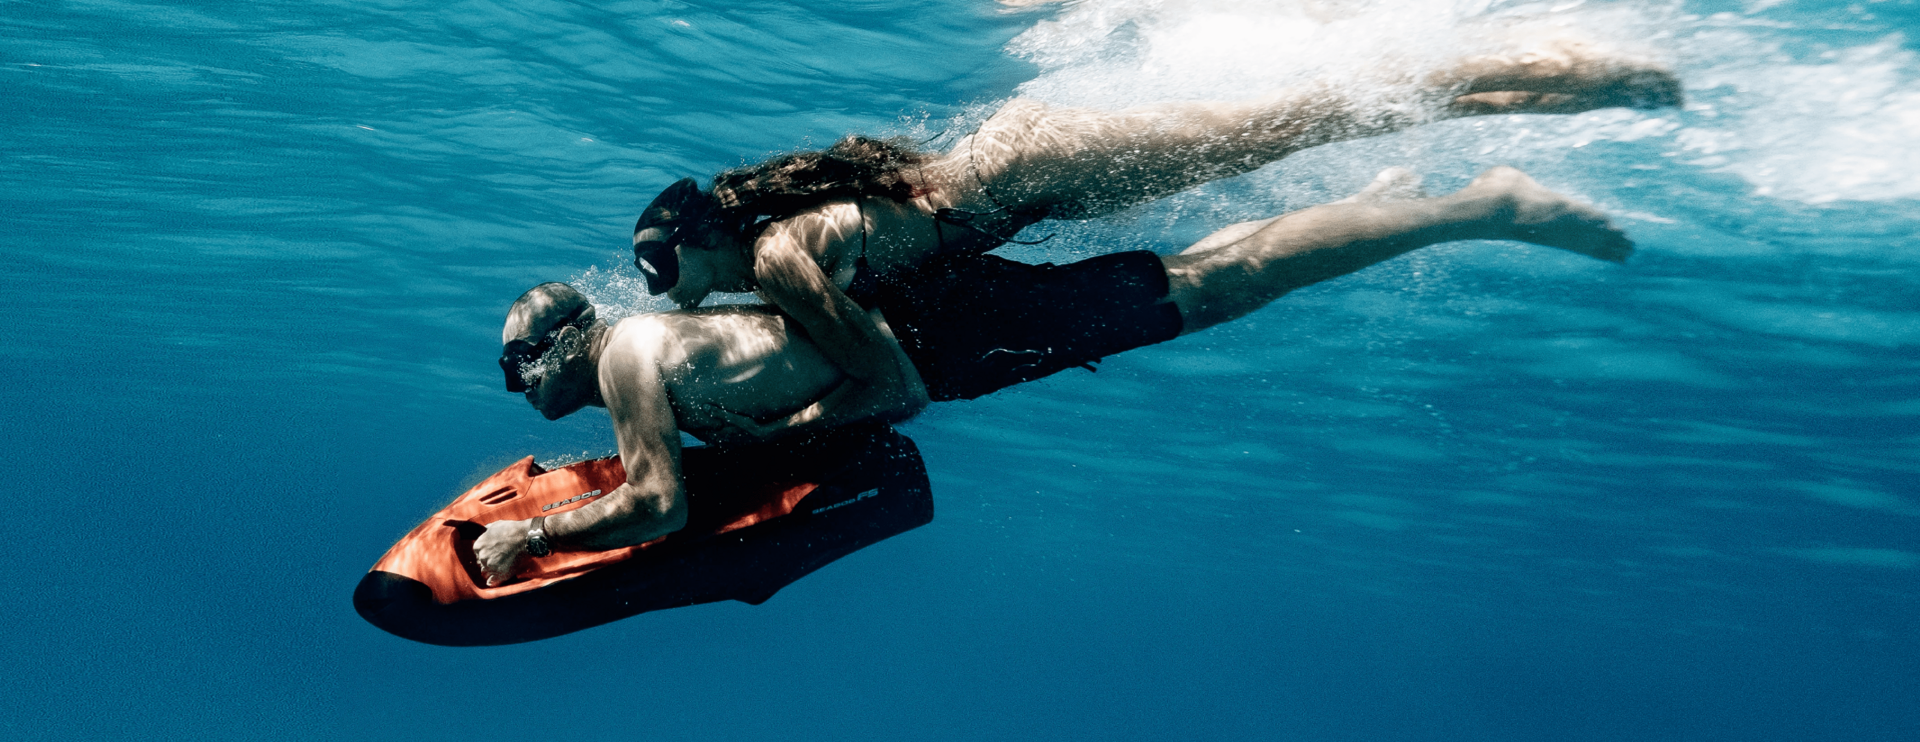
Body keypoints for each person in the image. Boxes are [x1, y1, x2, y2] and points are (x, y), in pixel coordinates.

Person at [475, 165, 1633, 585]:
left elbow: (659, 499)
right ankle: (1407, 207)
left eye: (513, 373)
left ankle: (1466, 206)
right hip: (934, 338)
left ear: (554, 349)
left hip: (939, 345)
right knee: (1197, 282)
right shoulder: (648, 355)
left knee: (1204, 288)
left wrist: (537, 538)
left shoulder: (629, 354)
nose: (519, 399)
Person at [626, 29, 1681, 442]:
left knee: (1304, 119)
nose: (678, 299)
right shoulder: (775, 243)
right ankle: (1496, 123)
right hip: (1033, 170)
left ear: (704, 242)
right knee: (1294, 131)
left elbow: (888, 379)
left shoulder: (777, 257)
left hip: (1040, 168)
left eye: (671, 275)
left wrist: (771, 435)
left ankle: (1553, 77)